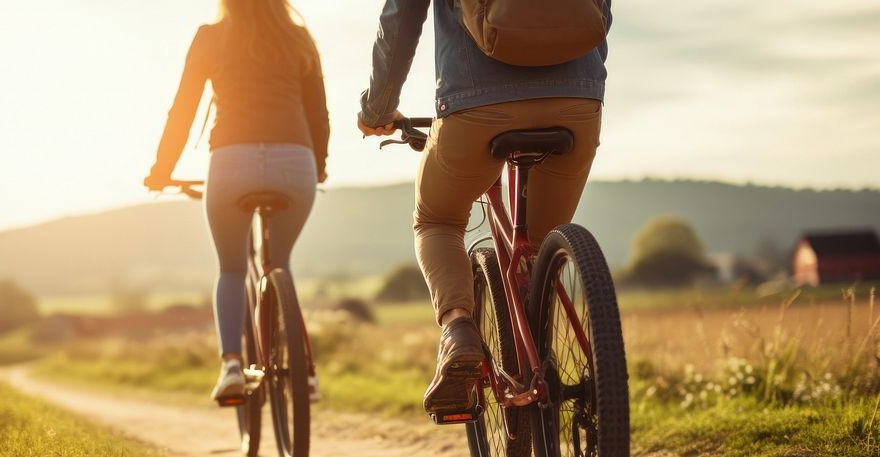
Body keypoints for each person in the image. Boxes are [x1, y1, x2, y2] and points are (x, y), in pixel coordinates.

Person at [359, 1, 612, 418]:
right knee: (540, 249)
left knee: (436, 220)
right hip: (577, 104)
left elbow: (400, 21)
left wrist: (378, 109)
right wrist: (582, 80)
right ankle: (543, 352)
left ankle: (458, 329)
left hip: (474, 107)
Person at [145, 0, 329, 404]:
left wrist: (162, 169)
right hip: (295, 161)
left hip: (231, 162)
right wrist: (319, 166)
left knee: (231, 269)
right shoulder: (297, 37)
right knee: (279, 262)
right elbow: (318, 109)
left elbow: (184, 107)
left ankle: (231, 365)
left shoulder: (210, 37)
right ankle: (304, 373)